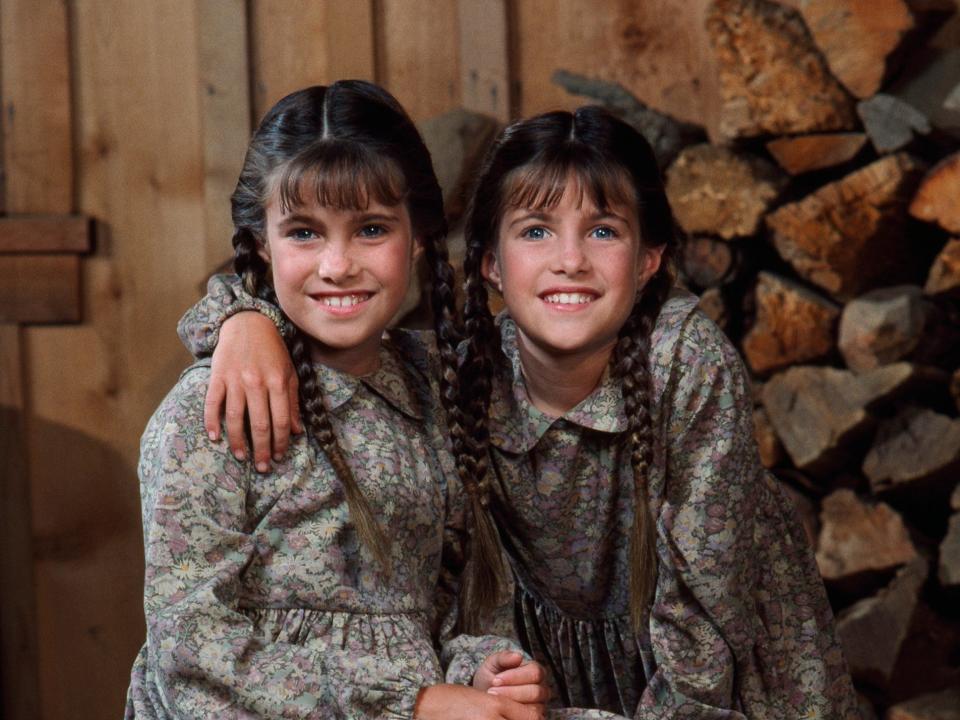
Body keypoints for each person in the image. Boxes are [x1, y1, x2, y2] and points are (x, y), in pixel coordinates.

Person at [180, 106, 861, 719]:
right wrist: (243, 317)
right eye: (535, 231)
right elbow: (325, 311)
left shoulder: (685, 361)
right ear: (489, 266)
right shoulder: (454, 371)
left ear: (650, 259)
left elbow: (705, 621)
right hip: (530, 682)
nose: (570, 261)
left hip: (703, 670)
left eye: (602, 231)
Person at [125, 81, 551, 720]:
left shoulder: (437, 391)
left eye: (371, 229)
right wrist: (413, 704)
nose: (338, 264)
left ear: (418, 237)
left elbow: (445, 608)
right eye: (304, 233)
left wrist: (480, 670)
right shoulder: (213, 409)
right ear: (262, 244)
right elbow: (192, 653)